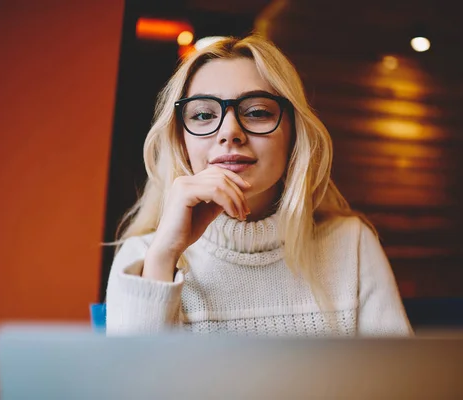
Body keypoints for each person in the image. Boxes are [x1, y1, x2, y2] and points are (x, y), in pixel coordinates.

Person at [105, 35, 412, 337]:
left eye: (257, 112)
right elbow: (130, 384)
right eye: (202, 115)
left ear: (294, 134)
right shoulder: (144, 256)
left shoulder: (352, 245)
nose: (229, 132)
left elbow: (400, 383)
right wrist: (164, 256)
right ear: (181, 142)